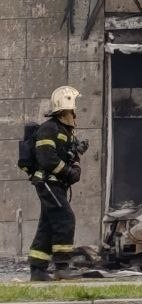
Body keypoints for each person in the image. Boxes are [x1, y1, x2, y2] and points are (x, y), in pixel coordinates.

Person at [26, 86, 83, 282]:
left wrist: (76, 162)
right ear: (66, 108)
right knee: (65, 218)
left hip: (56, 184)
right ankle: (62, 267)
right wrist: (67, 172)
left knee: (48, 225)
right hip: (47, 182)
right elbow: (46, 158)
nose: (75, 113)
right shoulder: (49, 128)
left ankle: (38, 270)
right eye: (73, 108)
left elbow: (68, 156)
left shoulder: (66, 131)